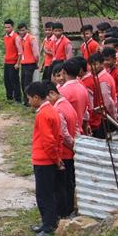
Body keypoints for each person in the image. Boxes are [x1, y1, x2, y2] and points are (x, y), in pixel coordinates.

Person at [25, 81, 64, 236]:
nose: (28, 102)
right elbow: (58, 137)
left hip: (44, 160)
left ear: (36, 97)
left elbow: (48, 141)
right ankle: (47, 223)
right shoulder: (52, 110)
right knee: (48, 193)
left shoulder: (43, 114)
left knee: (44, 195)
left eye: (29, 98)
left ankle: (48, 227)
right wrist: (57, 157)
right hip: (49, 159)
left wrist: (55, 159)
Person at [48, 82, 78, 220]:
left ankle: (63, 212)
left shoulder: (58, 109)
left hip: (65, 152)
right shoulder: (68, 105)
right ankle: (68, 209)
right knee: (69, 183)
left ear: (52, 94)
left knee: (62, 185)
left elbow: (64, 134)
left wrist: (72, 146)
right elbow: (76, 127)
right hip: (71, 151)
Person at [83, 52, 117, 139]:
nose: (91, 67)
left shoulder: (103, 80)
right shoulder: (103, 76)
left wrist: (113, 116)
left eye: (95, 64)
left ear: (102, 64)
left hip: (105, 117)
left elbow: (108, 102)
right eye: (90, 65)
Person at [57, 58, 88, 135]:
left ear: (63, 72)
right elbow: (85, 112)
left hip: (68, 131)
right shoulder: (83, 88)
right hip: (79, 130)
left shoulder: (63, 92)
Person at [16, 23, 40, 106]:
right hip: (24, 64)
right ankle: (26, 100)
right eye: (20, 31)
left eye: (23, 30)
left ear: (27, 30)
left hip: (30, 64)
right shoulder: (21, 39)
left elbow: (36, 54)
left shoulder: (31, 38)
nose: (21, 32)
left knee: (27, 84)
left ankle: (29, 102)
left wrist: (36, 63)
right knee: (23, 83)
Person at [2, 19, 23, 103]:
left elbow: (20, 52)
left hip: (13, 63)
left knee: (14, 81)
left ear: (12, 27)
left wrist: (18, 63)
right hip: (7, 62)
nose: (6, 29)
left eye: (8, 27)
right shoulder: (5, 37)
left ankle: (18, 99)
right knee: (7, 81)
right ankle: (9, 97)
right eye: (5, 27)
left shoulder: (16, 37)